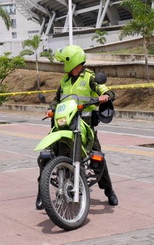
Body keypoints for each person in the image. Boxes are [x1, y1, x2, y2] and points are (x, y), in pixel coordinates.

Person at [42, 45, 118, 207]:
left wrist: (105, 97)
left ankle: (109, 190)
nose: (63, 66)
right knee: (48, 155)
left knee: (97, 158)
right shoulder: (65, 80)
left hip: (85, 125)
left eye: (64, 62)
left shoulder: (89, 77)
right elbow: (57, 99)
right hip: (65, 123)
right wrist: (51, 108)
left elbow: (108, 92)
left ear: (72, 61)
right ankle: (42, 194)